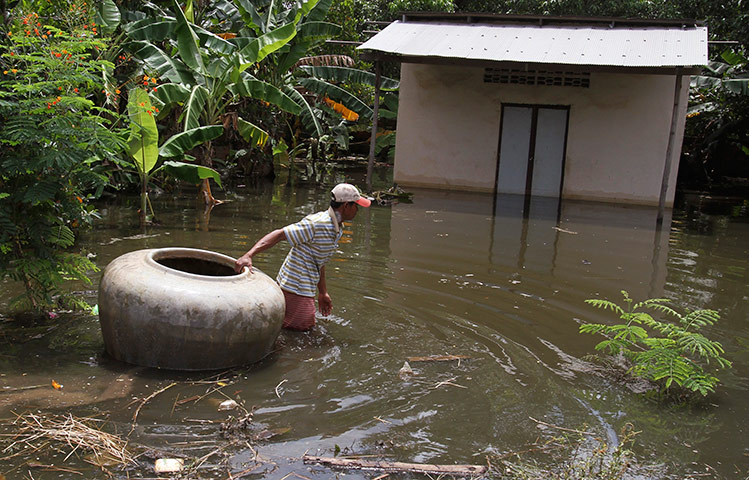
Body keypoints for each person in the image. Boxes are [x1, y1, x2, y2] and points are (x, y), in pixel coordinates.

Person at [234, 183, 372, 331]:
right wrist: (249, 255)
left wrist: (323, 292)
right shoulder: (317, 223)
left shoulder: (337, 228)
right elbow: (280, 234)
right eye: (356, 206)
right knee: (302, 334)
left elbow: (320, 260)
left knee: (293, 330)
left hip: (303, 287)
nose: (357, 210)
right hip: (297, 287)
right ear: (346, 206)